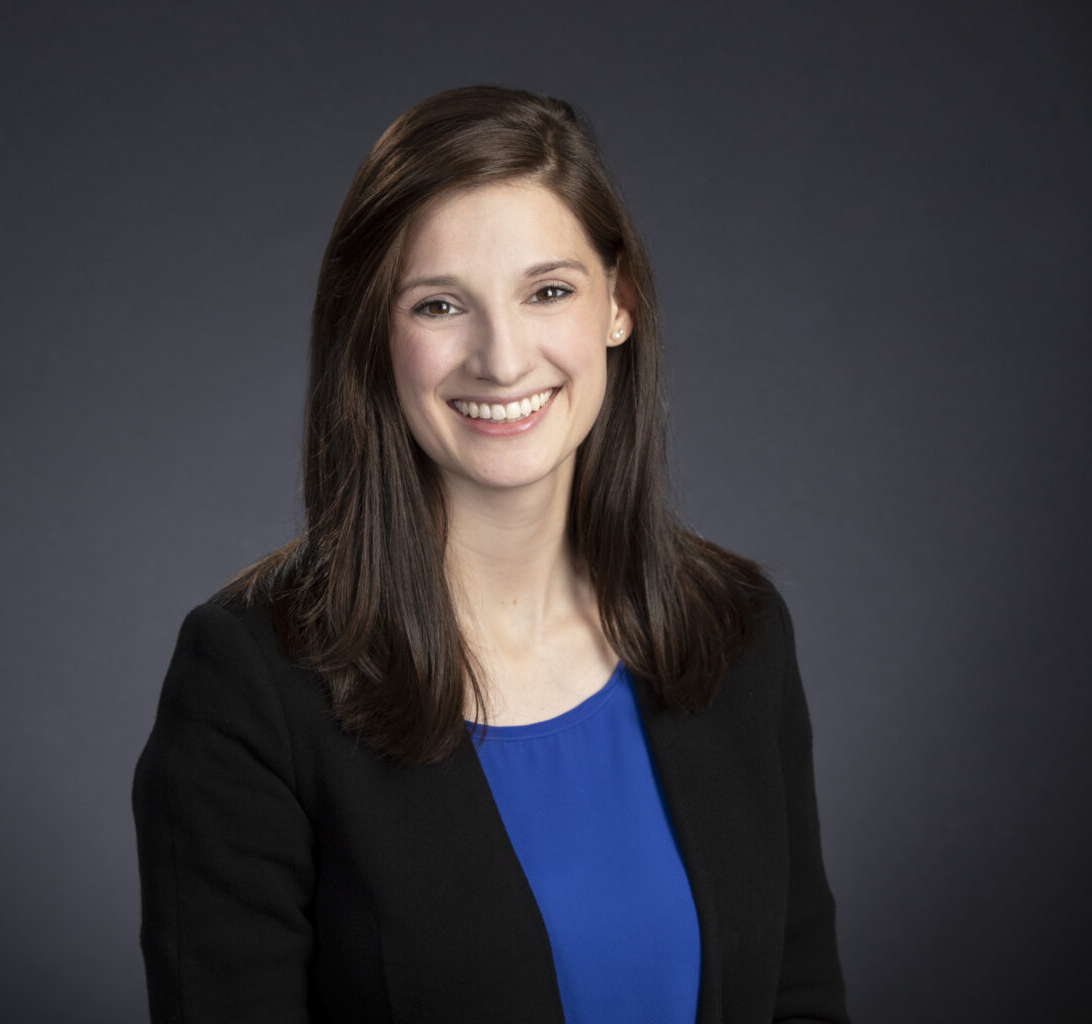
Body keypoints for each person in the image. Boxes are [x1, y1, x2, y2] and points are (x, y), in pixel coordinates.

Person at [132, 85, 848, 1024]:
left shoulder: (738, 632)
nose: (502, 359)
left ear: (619, 304)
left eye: (548, 291)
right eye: (439, 305)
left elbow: (800, 998)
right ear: (373, 334)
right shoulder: (250, 683)